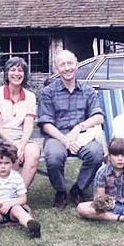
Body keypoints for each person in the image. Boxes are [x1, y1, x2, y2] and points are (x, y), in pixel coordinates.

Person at [38, 50, 105, 209]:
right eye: (62, 64)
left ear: (76, 65)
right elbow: (46, 123)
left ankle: (78, 189)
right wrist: (65, 140)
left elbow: (99, 117)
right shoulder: (48, 92)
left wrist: (79, 127)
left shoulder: (87, 90)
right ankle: (60, 191)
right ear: (56, 69)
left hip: (82, 136)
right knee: (53, 157)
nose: (67, 68)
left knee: (96, 154)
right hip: (57, 136)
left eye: (70, 63)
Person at [0, 57, 40, 188]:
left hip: (22, 138)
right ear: (6, 73)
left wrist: (22, 145)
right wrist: (15, 145)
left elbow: (28, 125)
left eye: (20, 70)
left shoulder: (30, 96)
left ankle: (19, 195)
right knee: (10, 153)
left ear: (25, 74)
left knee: (33, 153)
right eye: (13, 70)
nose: (17, 73)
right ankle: (6, 195)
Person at [0, 142, 41, 244]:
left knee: (18, 209)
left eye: (7, 163)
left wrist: (9, 204)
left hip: (12, 210)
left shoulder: (16, 177)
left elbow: (23, 198)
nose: (3, 166)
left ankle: (31, 225)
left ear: (12, 163)